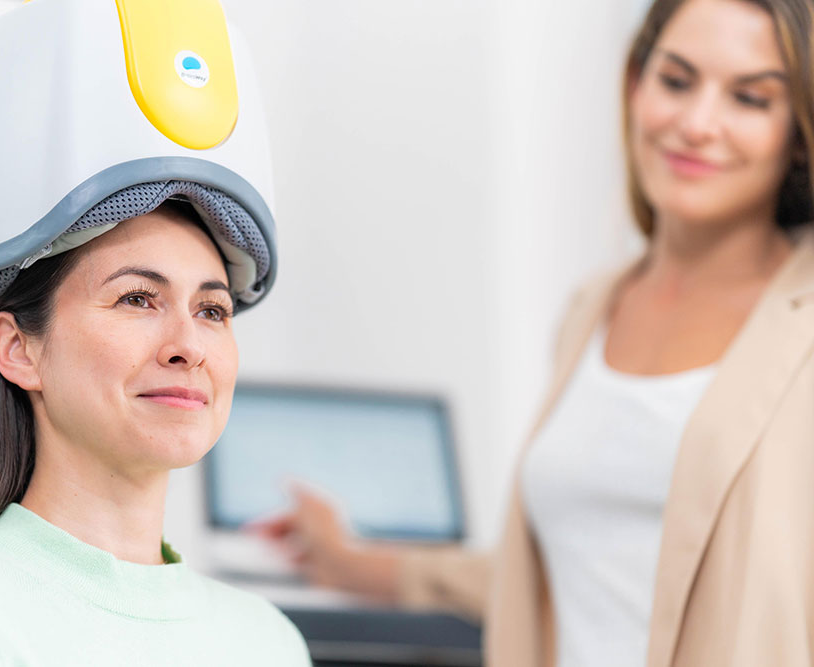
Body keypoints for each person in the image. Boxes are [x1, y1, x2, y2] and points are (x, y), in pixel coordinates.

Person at [254, 0, 814, 665]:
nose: (696, 123)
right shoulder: (592, 309)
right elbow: (556, 578)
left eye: (750, 98)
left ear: (797, 131)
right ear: (635, 85)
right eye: (676, 80)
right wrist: (356, 561)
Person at [0, 1, 310, 665]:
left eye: (211, 309)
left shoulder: (269, 641)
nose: (189, 345)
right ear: (16, 347)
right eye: (137, 297)